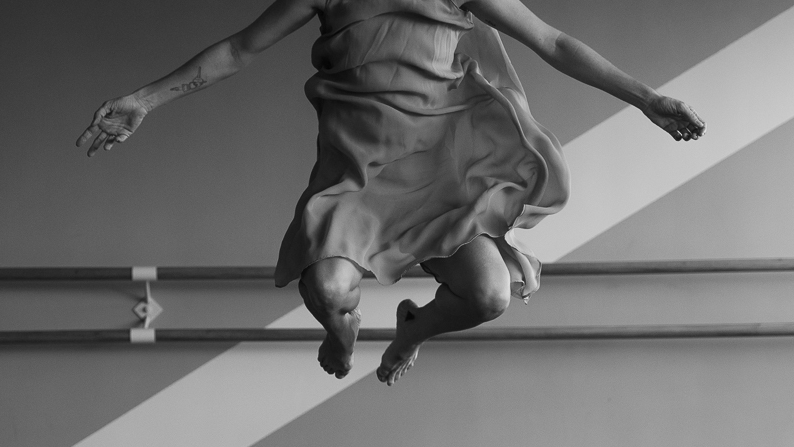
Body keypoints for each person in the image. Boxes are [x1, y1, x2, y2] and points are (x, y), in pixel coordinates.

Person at [78, 0, 704, 385]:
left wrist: (647, 99)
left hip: (441, 172)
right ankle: (340, 331)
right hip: (358, 175)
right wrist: (144, 100)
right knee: (329, 291)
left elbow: (553, 41)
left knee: (489, 296)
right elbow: (239, 49)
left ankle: (410, 332)